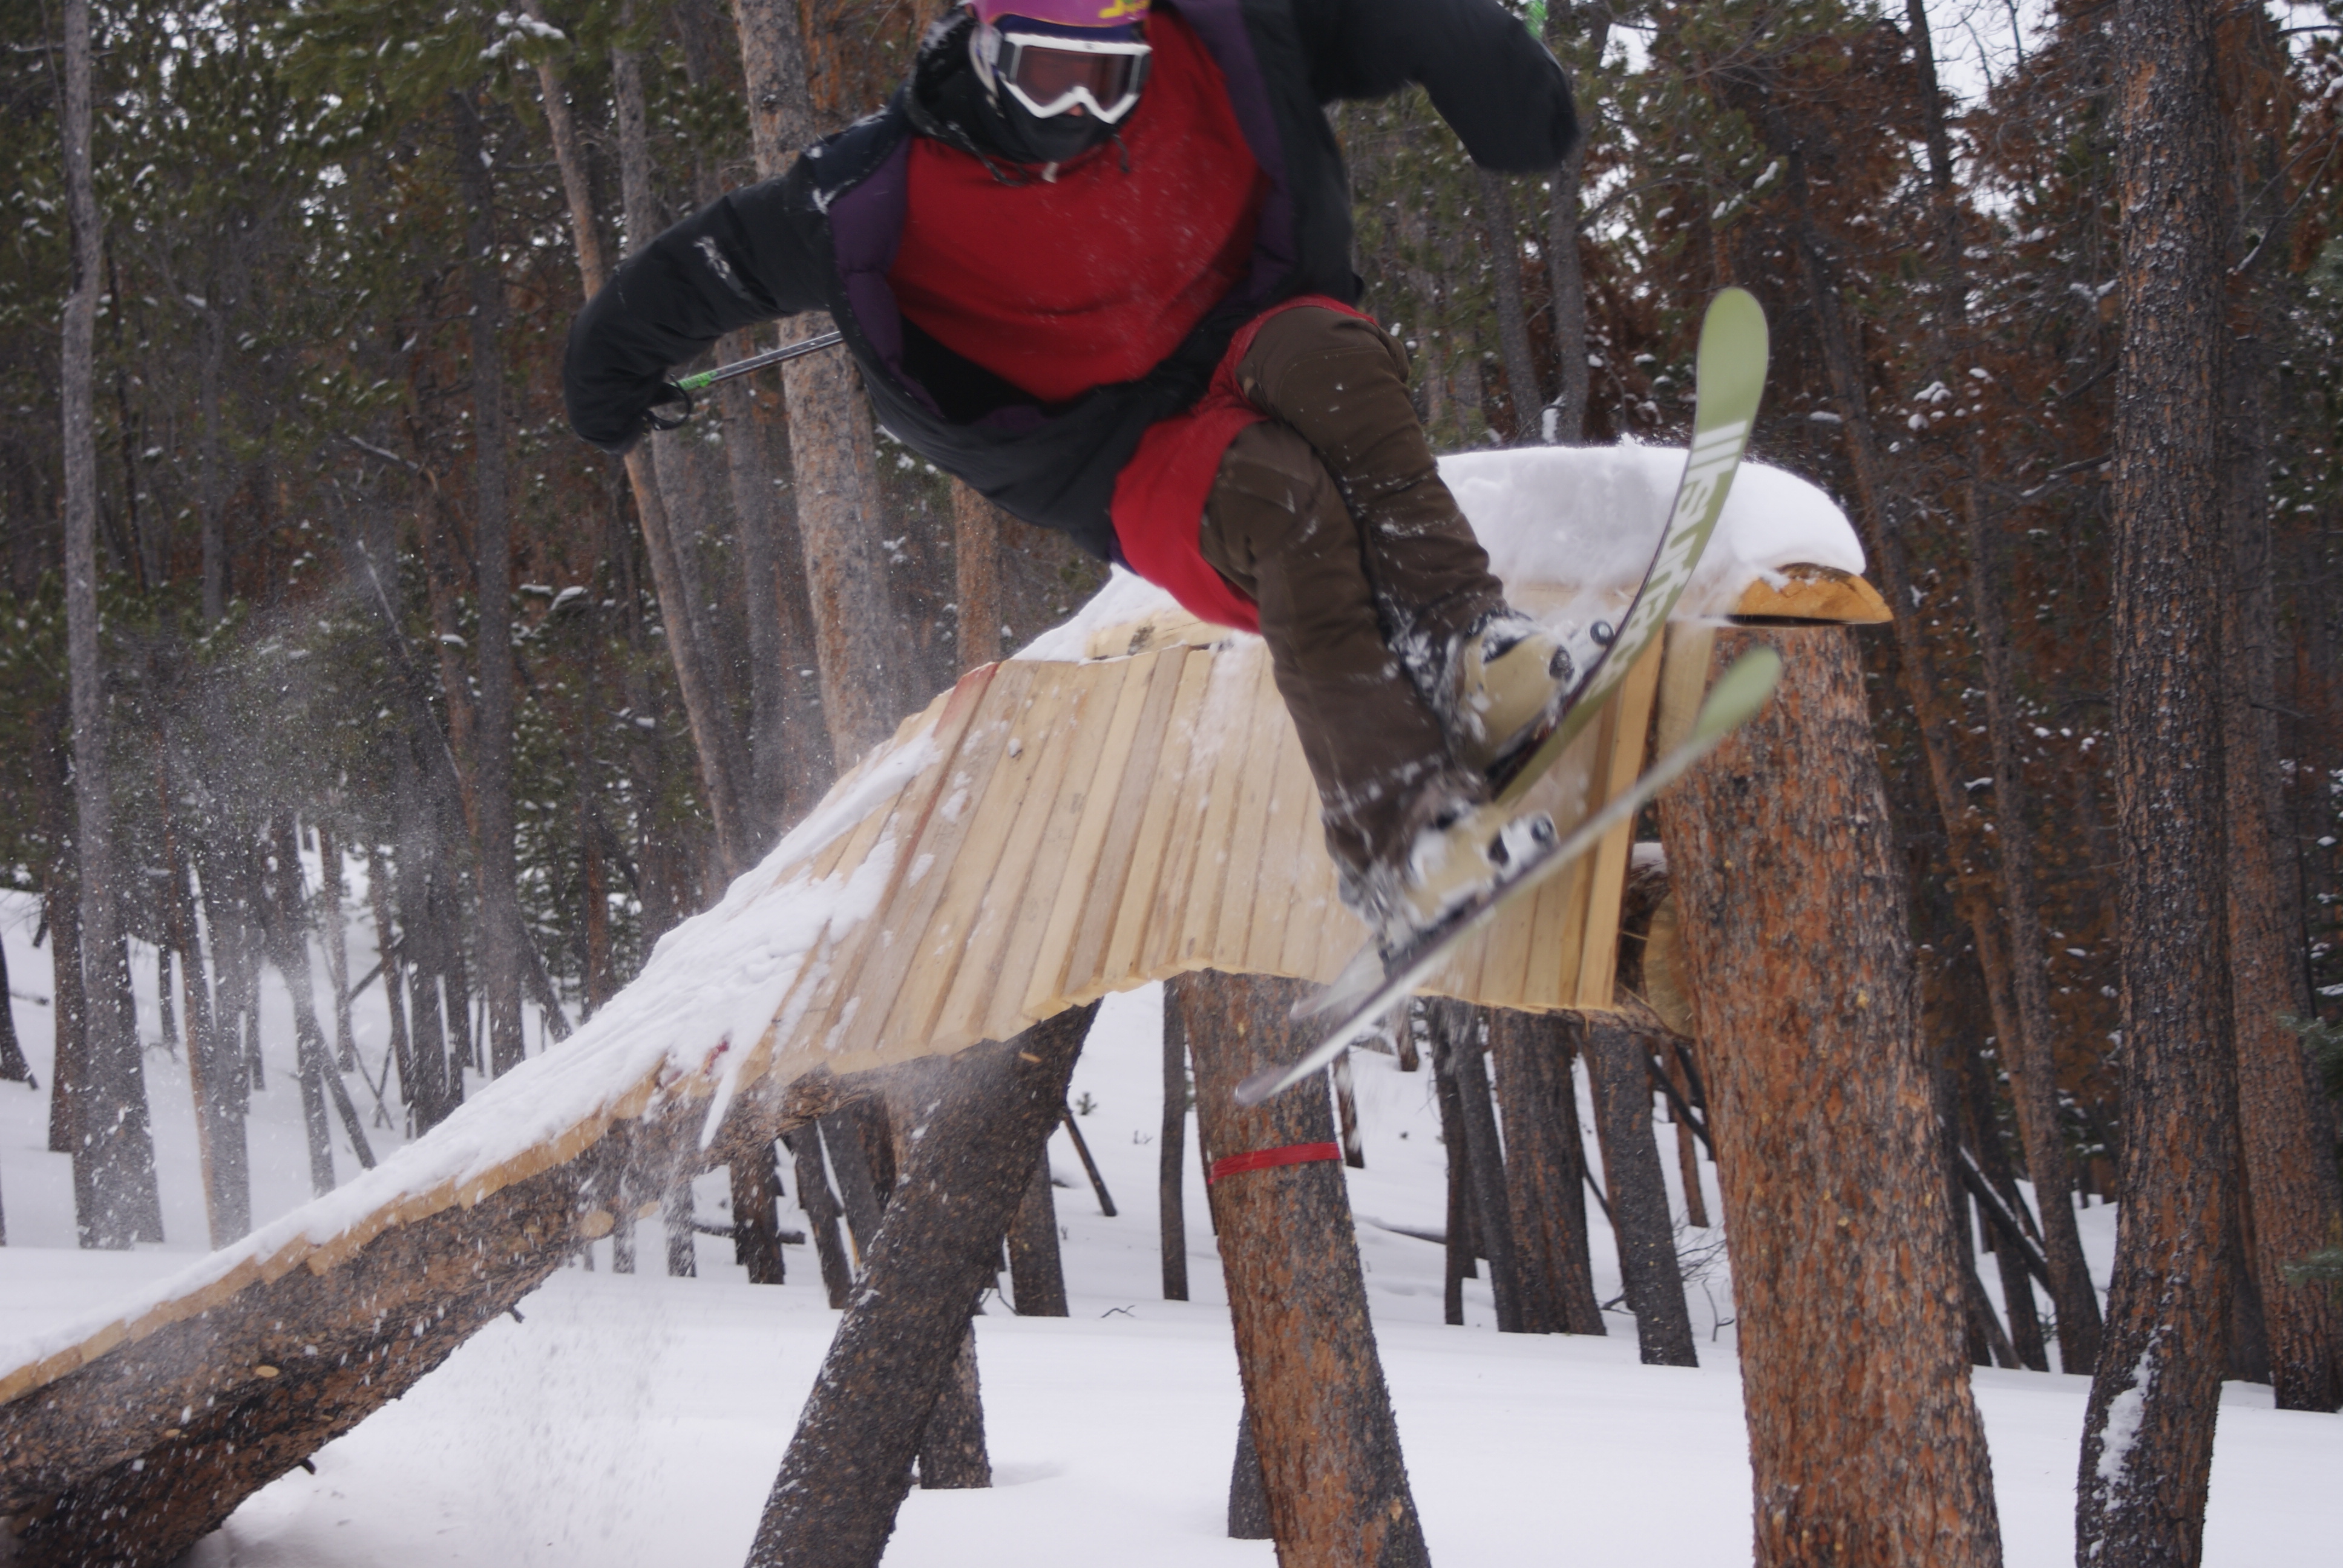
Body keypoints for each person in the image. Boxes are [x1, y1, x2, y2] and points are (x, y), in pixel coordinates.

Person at [564, 0, 1591, 943]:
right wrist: (606, 370)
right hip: (1114, 443)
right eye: (1050, 74)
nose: (1083, 109)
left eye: (1112, 78)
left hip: (1249, 321)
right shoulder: (873, 193)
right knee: (1285, 502)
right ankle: (1400, 835)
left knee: (1335, 359)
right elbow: (706, 265)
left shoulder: (1214, 34)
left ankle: (1465, 643)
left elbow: (1372, 17)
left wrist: (1482, 57)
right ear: (985, 46)